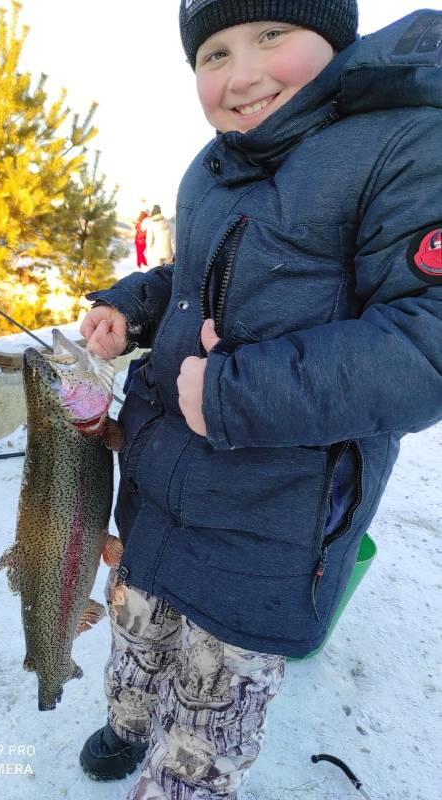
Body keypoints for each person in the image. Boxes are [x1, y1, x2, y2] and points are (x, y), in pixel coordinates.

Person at [79, 2, 442, 798]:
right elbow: (189, 282)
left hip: (267, 523)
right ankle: (127, 721)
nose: (240, 75)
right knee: (137, 627)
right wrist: (129, 304)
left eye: (271, 36)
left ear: (335, 42)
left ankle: (182, 774)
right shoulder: (210, 167)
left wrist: (237, 396)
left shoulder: (405, 145)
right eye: (213, 52)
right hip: (160, 484)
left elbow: (425, 341)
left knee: (214, 695)